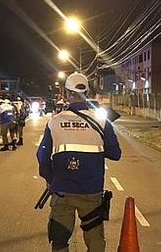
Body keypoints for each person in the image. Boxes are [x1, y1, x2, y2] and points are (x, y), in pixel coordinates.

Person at [36, 73, 121, 252]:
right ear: (88, 91)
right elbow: (115, 153)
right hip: (92, 191)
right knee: (95, 242)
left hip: (62, 192)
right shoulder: (101, 120)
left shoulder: (55, 121)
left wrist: (52, 179)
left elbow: (42, 157)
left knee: (59, 241)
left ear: (67, 93)